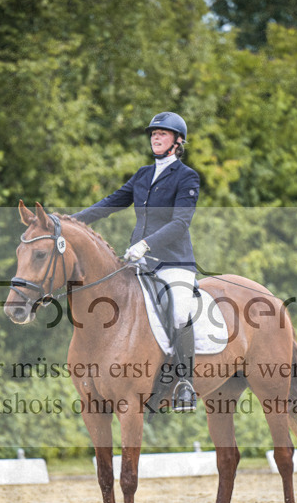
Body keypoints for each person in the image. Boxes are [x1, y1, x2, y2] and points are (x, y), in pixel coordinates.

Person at [71, 111, 200, 412]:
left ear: (178, 141)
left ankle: (185, 383)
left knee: (179, 311)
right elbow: (110, 202)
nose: (156, 137)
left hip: (173, 263)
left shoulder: (186, 177)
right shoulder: (143, 175)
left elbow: (180, 223)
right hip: (138, 263)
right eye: (153, 133)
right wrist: (69, 222)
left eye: (162, 133)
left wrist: (145, 244)